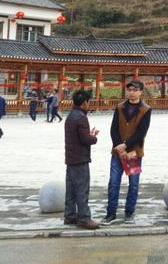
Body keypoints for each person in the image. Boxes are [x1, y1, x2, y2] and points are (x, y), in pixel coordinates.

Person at [102, 80, 151, 225]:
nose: (132, 92)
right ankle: (111, 213)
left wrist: (125, 145)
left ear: (141, 92)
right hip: (117, 151)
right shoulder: (120, 107)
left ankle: (129, 212)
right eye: (129, 89)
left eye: (135, 90)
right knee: (114, 182)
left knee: (133, 183)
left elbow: (142, 131)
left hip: (134, 152)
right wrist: (118, 145)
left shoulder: (146, 109)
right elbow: (113, 128)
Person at [64, 89, 100, 229]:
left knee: (71, 188)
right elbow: (85, 139)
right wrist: (94, 137)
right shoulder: (81, 117)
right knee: (82, 189)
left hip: (71, 157)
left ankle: (70, 215)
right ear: (84, 103)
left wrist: (87, 134)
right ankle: (84, 218)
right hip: (80, 158)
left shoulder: (71, 116)